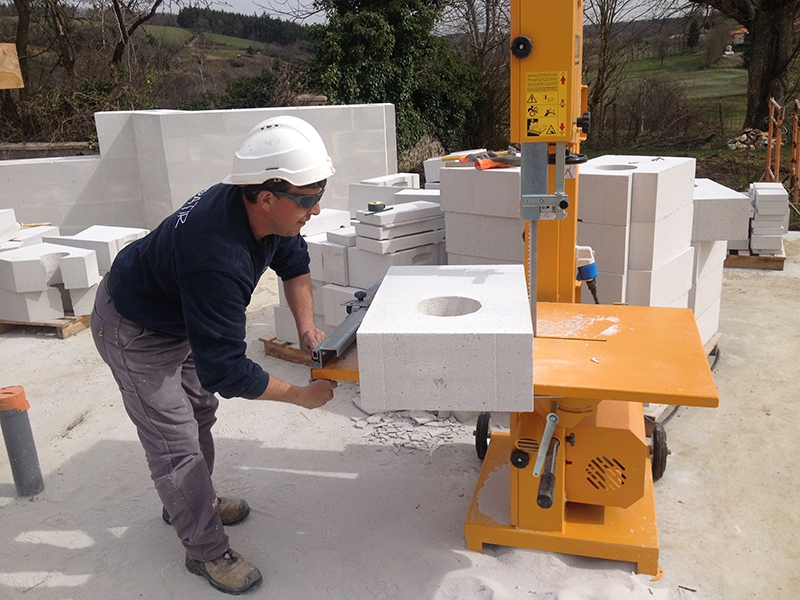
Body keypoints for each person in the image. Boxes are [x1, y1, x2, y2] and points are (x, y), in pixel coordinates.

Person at [90, 115, 338, 595]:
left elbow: (295, 262)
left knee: (200, 409)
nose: (319, 208)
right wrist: (300, 397)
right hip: (133, 327)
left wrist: (307, 329)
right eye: (309, 199)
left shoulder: (260, 210)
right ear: (267, 196)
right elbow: (225, 368)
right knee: (175, 442)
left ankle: (185, 502)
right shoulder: (217, 253)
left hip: (178, 314)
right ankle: (204, 549)